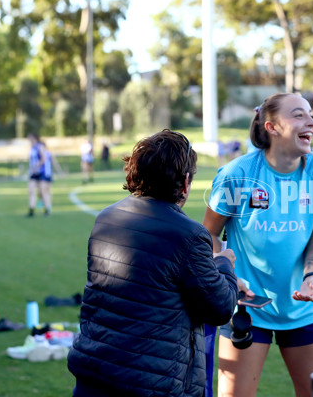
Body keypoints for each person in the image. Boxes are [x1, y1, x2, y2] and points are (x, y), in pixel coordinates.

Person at [67, 129, 239, 397]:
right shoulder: (188, 235)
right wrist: (224, 265)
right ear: (184, 182)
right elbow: (219, 308)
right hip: (150, 381)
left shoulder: (107, 217)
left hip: (96, 370)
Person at [203, 93, 313, 397]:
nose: (311, 122)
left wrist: (312, 277)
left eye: (310, 114)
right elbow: (207, 236)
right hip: (246, 308)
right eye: (298, 115)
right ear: (272, 127)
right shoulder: (236, 174)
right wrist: (226, 274)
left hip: (304, 310)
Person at [27, 133, 53, 217]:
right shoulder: (32, 148)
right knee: (31, 190)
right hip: (33, 173)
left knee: (43, 191)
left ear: (34, 138)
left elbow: (44, 159)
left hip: (42, 172)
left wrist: (37, 165)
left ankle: (47, 209)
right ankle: (31, 209)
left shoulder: (40, 146)